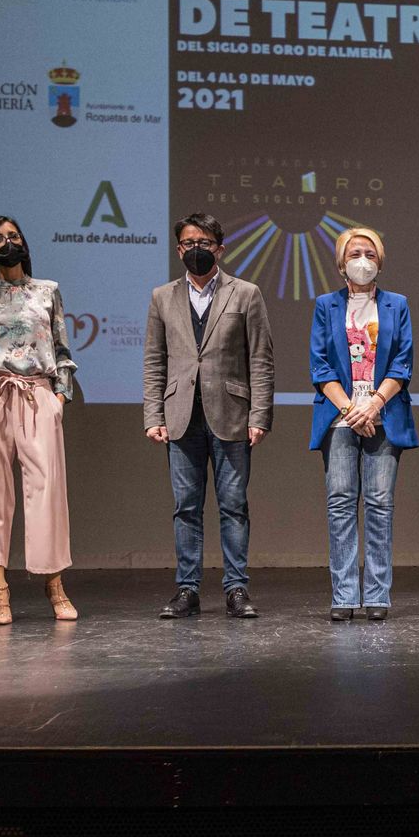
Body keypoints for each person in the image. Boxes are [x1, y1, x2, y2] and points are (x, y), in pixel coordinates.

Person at [143, 213, 275, 620]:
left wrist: (260, 415)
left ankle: (236, 588)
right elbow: (154, 360)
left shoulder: (245, 293)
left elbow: (261, 359)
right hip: (181, 414)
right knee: (186, 506)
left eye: (203, 242)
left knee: (233, 505)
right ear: (178, 248)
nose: (194, 249)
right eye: (187, 243)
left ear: (220, 247)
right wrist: (153, 413)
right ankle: (187, 589)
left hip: (232, 413)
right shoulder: (162, 297)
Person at [0, 215, 78, 625]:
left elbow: (61, 349)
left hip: (36, 394)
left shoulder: (47, 291)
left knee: (46, 490)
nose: (9, 242)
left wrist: (59, 397)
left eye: (14, 235)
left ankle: (54, 584)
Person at [309, 227, 418, 621]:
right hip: (339, 418)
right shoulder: (326, 305)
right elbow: (319, 365)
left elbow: (403, 362)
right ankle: (343, 596)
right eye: (355, 253)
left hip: (384, 414)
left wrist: (372, 405)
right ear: (341, 263)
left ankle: (376, 595)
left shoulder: (397, 305)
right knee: (340, 505)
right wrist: (350, 410)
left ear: (380, 261)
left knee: (379, 506)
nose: (363, 261)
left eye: (370, 254)